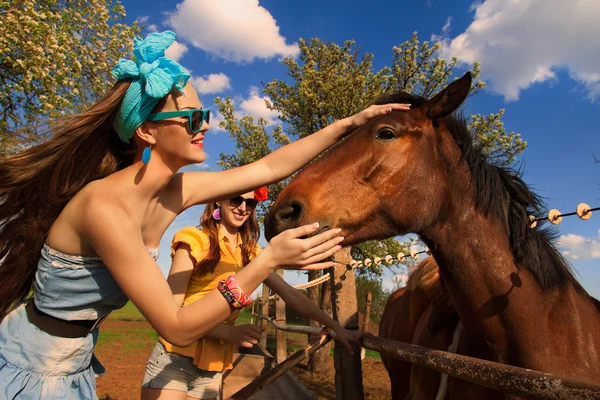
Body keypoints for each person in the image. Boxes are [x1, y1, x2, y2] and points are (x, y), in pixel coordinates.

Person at [0, 30, 410, 399]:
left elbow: (267, 168)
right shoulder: (104, 207)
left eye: (205, 115)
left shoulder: (177, 189)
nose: (205, 126)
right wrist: (268, 259)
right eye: (192, 118)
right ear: (147, 131)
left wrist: (349, 124)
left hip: (73, 360)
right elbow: (175, 327)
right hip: (33, 366)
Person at [141, 191, 361, 400]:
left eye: (251, 203)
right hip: (174, 359)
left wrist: (336, 326)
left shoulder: (251, 254)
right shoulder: (193, 240)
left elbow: (291, 295)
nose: (243, 208)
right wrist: (227, 332)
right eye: (236, 199)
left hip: (214, 367)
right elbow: (169, 313)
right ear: (218, 200)